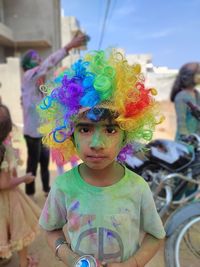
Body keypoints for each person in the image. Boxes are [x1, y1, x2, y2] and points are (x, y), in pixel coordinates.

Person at [38, 49, 166, 267]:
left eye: (110, 130)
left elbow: (156, 235)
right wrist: (70, 257)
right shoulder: (63, 186)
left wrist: (131, 264)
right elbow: (50, 229)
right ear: (70, 134)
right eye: (85, 129)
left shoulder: (137, 188)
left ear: (127, 135)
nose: (97, 144)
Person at [20, 33, 88, 197]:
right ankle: (29, 194)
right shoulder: (28, 76)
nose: (39, 60)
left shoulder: (38, 83)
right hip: (32, 133)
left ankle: (45, 189)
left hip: (42, 131)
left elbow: (46, 103)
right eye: (35, 58)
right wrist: (68, 47)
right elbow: (47, 65)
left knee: (44, 162)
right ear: (29, 63)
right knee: (32, 164)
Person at [0, 104, 41, 267]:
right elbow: (3, 183)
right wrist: (25, 178)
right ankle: (24, 263)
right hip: (8, 200)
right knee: (20, 233)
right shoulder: (5, 150)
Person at [170, 62, 200, 140]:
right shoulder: (181, 96)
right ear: (188, 76)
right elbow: (181, 122)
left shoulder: (197, 94)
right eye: (198, 73)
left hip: (197, 140)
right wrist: (186, 137)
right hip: (185, 142)